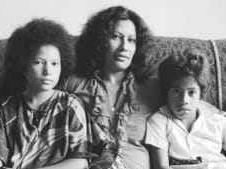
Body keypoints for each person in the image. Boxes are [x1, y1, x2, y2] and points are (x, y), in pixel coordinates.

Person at [0, 19, 89, 169]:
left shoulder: (71, 105)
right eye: (39, 62)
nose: (48, 71)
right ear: (23, 66)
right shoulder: (2, 109)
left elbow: (80, 162)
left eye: (55, 63)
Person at [60, 5, 157, 169]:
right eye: (116, 37)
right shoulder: (73, 82)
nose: (124, 47)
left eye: (131, 40)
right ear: (100, 40)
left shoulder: (152, 87)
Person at [145, 48, 226, 169]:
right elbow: (161, 167)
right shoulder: (159, 121)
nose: (184, 100)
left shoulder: (217, 121)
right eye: (176, 91)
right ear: (166, 92)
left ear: (201, 94)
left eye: (191, 92)